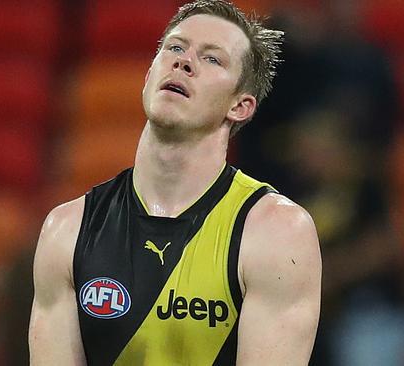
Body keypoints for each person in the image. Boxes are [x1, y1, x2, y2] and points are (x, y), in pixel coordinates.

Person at [28, 1, 321, 364]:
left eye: (212, 59)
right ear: (149, 74)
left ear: (240, 106)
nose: (183, 62)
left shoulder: (275, 233)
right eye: (175, 47)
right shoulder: (67, 231)